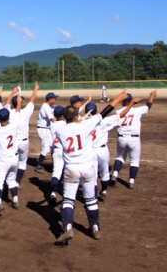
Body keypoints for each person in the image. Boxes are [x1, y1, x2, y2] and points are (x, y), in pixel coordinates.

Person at [53, 90, 128, 245]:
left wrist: (77, 121)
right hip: (87, 167)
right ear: (76, 117)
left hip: (71, 169)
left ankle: (67, 227)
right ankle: (94, 228)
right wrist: (118, 98)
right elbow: (106, 111)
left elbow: (69, 125)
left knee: (68, 199)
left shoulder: (59, 129)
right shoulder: (86, 125)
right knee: (91, 199)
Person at [110, 90, 157, 189]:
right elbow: (148, 106)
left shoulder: (118, 112)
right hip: (134, 140)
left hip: (121, 138)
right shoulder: (138, 111)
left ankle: (114, 175)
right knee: (134, 161)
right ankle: (131, 181)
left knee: (120, 157)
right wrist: (152, 96)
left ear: (122, 102)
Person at [0, 102, 22, 218]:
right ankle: (15, 201)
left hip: (2, 160)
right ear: (8, 117)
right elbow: (17, 112)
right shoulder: (14, 125)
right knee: (11, 180)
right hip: (14, 158)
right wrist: (19, 102)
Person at [9, 82, 40, 189]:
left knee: (11, 162)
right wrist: (35, 89)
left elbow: (7, 103)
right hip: (23, 142)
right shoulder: (26, 112)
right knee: (22, 163)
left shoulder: (9, 112)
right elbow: (32, 100)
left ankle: (9, 180)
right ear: (20, 103)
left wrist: (14, 92)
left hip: (13, 142)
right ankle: (17, 182)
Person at [35, 92, 59, 173]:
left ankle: (55, 164)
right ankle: (38, 165)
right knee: (46, 148)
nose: (55, 100)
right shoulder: (45, 107)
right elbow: (52, 119)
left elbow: (56, 113)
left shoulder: (50, 106)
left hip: (47, 129)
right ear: (50, 99)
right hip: (43, 130)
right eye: (54, 98)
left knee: (52, 146)